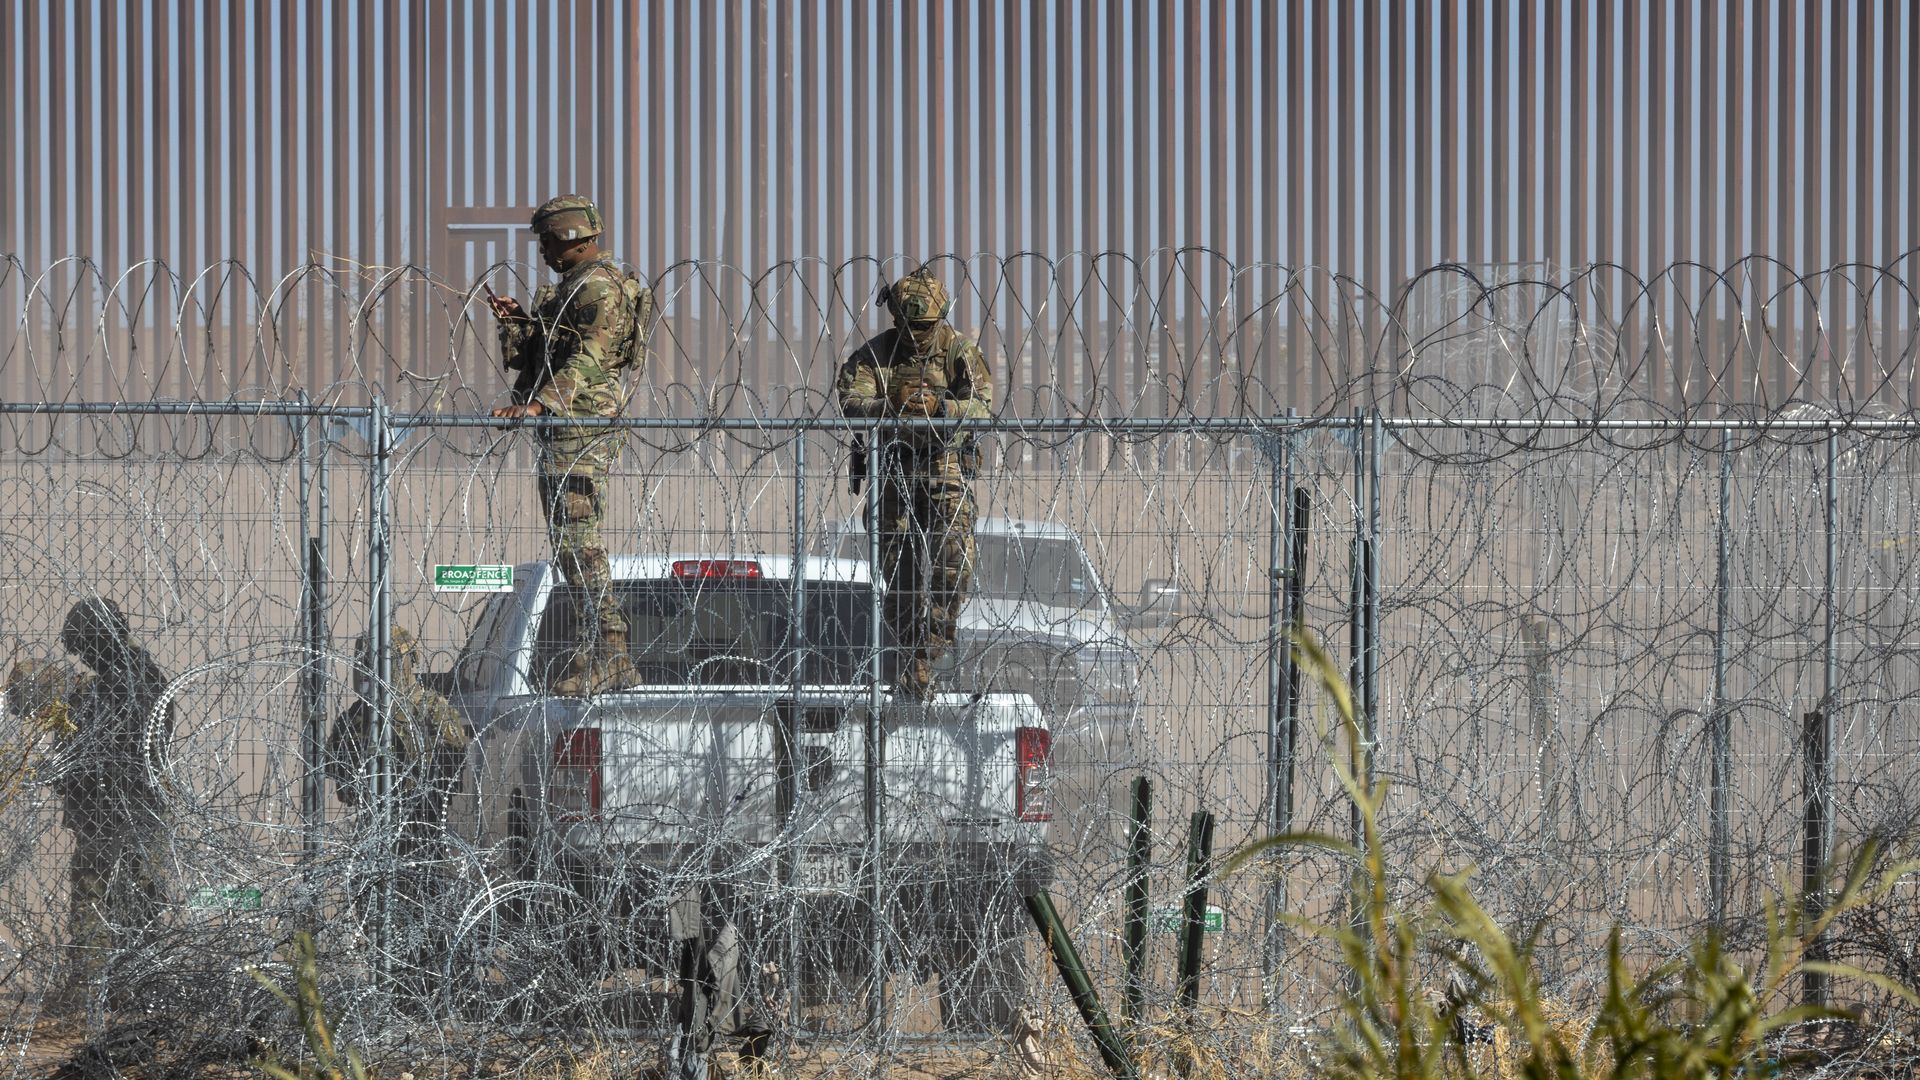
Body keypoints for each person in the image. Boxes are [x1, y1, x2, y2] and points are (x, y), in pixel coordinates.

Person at [487, 194, 654, 696]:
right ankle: (594, 648)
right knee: (568, 542)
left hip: (581, 427)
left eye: (545, 240)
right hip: (565, 425)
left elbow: (590, 357)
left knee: (579, 540)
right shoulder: (573, 288)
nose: (540, 251)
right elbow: (542, 355)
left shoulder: (598, 287)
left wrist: (543, 405)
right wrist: (517, 322)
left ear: (567, 238)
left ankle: (613, 651)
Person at [835, 267, 994, 699]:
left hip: (943, 464)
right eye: (910, 327)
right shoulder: (878, 355)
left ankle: (931, 646)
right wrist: (890, 405)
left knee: (953, 560)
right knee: (899, 574)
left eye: (926, 327)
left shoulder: (958, 350)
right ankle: (909, 656)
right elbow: (850, 397)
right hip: (893, 468)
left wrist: (942, 407)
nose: (918, 335)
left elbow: (983, 404)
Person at [52, 599, 173, 994]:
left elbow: (113, 746)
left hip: (124, 811)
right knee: (117, 902)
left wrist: (70, 761)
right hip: (111, 812)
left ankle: (110, 993)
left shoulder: (133, 683)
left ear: (101, 640)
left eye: (86, 647)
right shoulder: (124, 680)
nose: (83, 658)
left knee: (118, 901)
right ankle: (115, 991)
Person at [324, 625, 470, 852]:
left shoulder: (433, 711)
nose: (371, 670)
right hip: (375, 828)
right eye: (366, 662)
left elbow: (455, 771)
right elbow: (341, 782)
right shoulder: (356, 717)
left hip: (423, 830)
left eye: (384, 662)